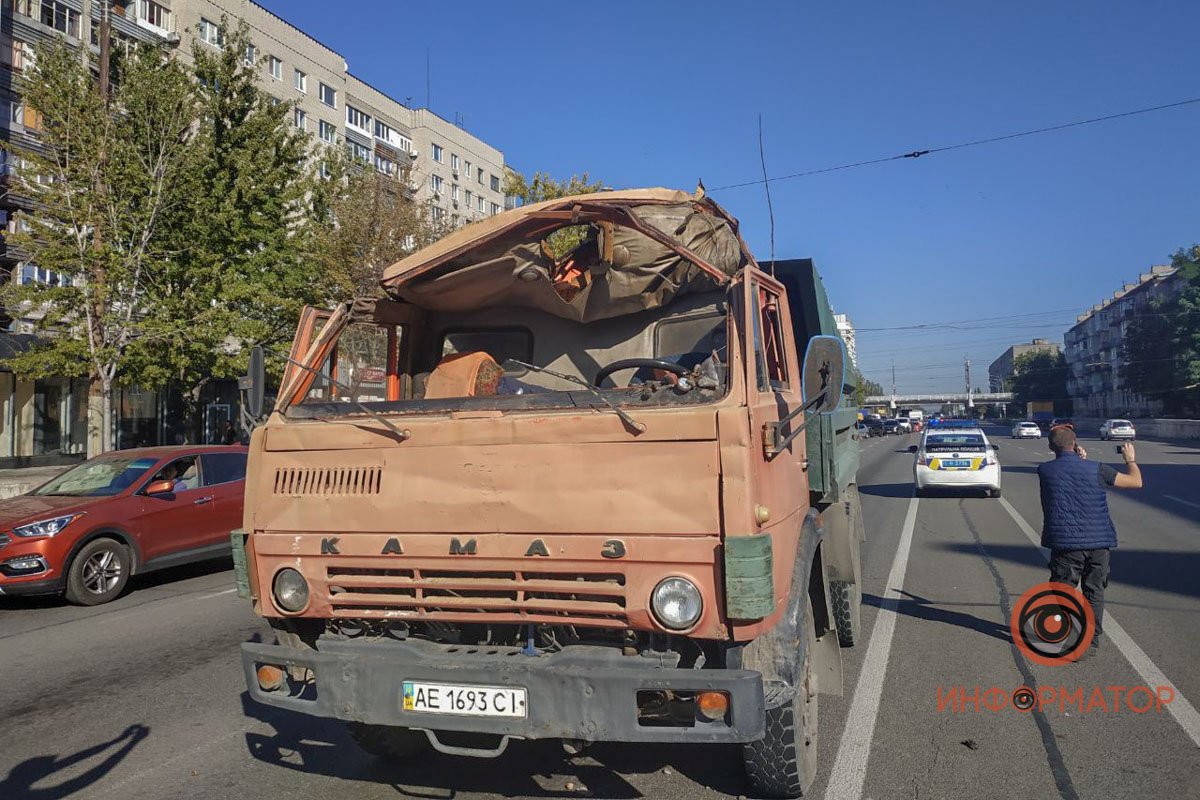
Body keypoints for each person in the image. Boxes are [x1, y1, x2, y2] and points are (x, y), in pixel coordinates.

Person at [1037, 424, 1142, 658]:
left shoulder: (1045, 470)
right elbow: (1135, 482)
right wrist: (1130, 459)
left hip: (1065, 545)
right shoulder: (1097, 469)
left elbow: (1068, 474)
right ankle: (1091, 641)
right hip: (1098, 543)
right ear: (1075, 444)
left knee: (1064, 591)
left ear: (1051, 446)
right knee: (1094, 591)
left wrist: (1077, 458)